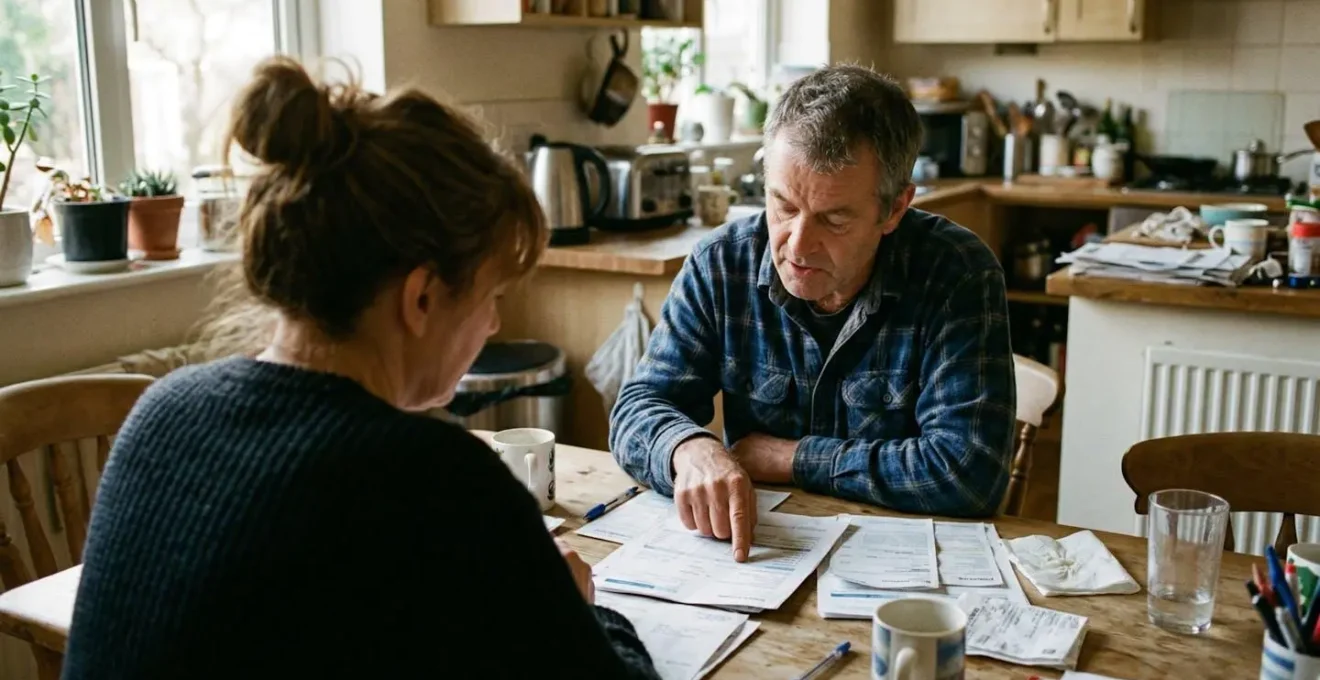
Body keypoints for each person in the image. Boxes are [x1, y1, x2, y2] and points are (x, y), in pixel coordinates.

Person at [63, 57, 660, 679]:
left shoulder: (163, 410)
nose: (492, 327)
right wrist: (582, 609)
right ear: (421, 298)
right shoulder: (439, 480)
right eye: (492, 299)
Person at [609, 64, 1016, 562]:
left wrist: (790, 458)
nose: (797, 246)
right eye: (782, 206)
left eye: (834, 219)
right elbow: (638, 407)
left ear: (895, 209)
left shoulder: (957, 272)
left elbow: (969, 473)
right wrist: (689, 449)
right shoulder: (721, 263)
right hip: (759, 560)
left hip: (907, 567)